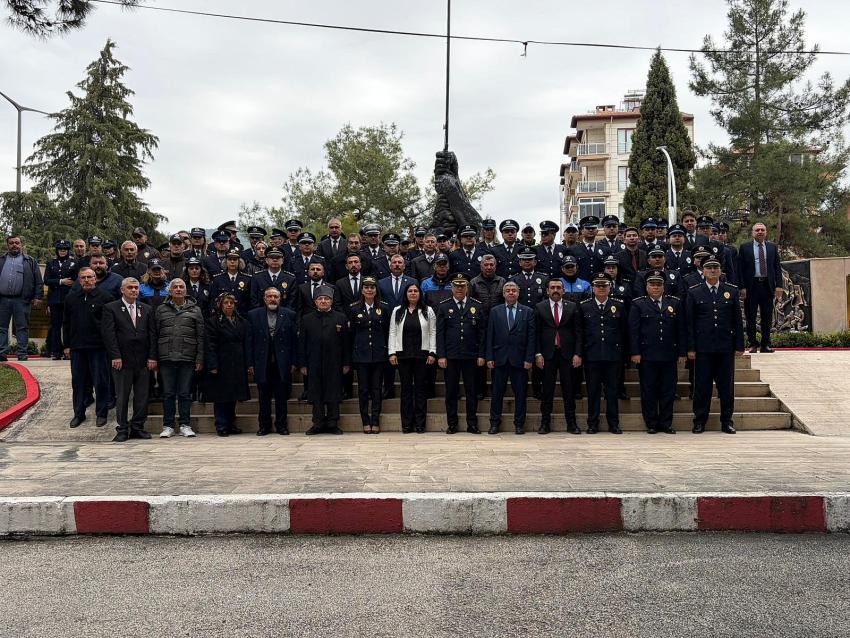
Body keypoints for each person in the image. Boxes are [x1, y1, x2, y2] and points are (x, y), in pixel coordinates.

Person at [687, 256, 745, 434]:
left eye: (715, 267)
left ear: (721, 270)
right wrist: (690, 347)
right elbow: (689, 322)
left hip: (725, 347)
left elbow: (737, 321)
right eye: (709, 267)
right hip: (703, 348)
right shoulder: (694, 292)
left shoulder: (731, 291)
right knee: (702, 387)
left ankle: (727, 420)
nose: (712, 270)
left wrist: (739, 346)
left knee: (726, 387)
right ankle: (699, 421)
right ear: (703, 271)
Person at [629, 271, 687, 435]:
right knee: (649, 390)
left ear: (664, 286)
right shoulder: (638, 304)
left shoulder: (674, 303)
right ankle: (652, 423)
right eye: (652, 284)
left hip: (669, 354)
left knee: (668, 390)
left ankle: (666, 423)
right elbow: (633, 331)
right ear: (646, 286)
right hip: (647, 355)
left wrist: (682, 352)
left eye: (658, 284)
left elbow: (680, 329)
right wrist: (635, 352)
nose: (655, 287)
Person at [149, 278, 205, 438]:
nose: (179, 289)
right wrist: (154, 357)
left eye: (182, 287)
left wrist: (200, 358)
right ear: (170, 290)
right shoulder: (161, 309)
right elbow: (154, 335)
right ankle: (168, 425)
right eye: (175, 287)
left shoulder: (195, 310)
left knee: (185, 393)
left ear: (186, 290)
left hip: (188, 357)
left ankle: (185, 424)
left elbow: (201, 336)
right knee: (167, 393)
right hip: (166, 356)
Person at [101, 277, 155, 441]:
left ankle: (137, 426)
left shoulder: (146, 308)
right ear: (122, 290)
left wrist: (152, 356)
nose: (133, 290)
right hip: (122, 360)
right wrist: (115, 355)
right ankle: (122, 428)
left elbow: (152, 334)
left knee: (142, 395)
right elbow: (109, 335)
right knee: (123, 396)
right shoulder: (111, 308)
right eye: (130, 287)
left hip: (143, 360)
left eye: (136, 288)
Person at [436, 275, 485, 435]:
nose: (459, 289)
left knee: (471, 391)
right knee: (451, 392)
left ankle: (472, 424)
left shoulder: (476, 306)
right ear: (452, 287)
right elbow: (440, 334)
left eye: (462, 286)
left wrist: (481, 355)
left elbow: (481, 334)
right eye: (456, 286)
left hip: (471, 356)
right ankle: (452, 424)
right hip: (451, 356)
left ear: (467, 288)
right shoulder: (444, 307)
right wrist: (441, 355)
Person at [299, 286, 351, 435]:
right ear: (315, 301)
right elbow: (302, 342)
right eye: (320, 299)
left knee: (334, 391)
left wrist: (346, 362)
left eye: (326, 299)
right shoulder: (306, 319)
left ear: (331, 301)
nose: (323, 301)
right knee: (316, 392)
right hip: (313, 361)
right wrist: (303, 363)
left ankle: (333, 422)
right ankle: (318, 422)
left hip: (335, 361)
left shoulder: (340, 317)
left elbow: (346, 343)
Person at [246, 287, 298, 436]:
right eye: (269, 296)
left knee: (282, 397)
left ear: (280, 299)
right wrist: (250, 363)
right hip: (262, 362)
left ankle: (281, 425)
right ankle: (264, 426)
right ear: (264, 299)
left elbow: (294, 341)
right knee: (263, 397)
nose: (272, 299)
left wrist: (294, 362)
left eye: (275, 296)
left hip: (282, 363)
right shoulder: (253, 315)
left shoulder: (289, 315)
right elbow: (249, 341)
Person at [63, 267, 111, 428]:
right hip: (77, 348)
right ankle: (78, 414)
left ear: (95, 279)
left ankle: (101, 413)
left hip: (98, 347)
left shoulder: (105, 298)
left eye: (90, 277)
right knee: (78, 382)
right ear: (79, 279)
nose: (87, 280)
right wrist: (67, 345)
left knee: (101, 382)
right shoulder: (71, 298)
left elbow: (110, 325)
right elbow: (66, 323)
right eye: (83, 277)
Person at [579, 273, 627, 434]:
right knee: (593, 391)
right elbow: (581, 332)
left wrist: (624, 354)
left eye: (604, 285)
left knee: (612, 391)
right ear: (593, 288)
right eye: (598, 285)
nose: (601, 288)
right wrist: (580, 353)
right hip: (592, 355)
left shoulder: (618, 305)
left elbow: (624, 331)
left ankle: (613, 423)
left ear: (610, 288)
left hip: (613, 355)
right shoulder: (584, 306)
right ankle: (592, 423)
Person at [534, 278, 583, 434]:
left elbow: (578, 333)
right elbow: (535, 333)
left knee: (569, 390)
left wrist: (577, 353)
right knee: (547, 391)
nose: (555, 290)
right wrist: (538, 353)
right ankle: (545, 423)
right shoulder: (540, 307)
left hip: (567, 355)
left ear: (564, 291)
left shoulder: (573, 307)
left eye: (558, 287)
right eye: (552, 287)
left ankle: (572, 424)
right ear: (547, 290)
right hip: (548, 355)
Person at [486, 281, 535, 435]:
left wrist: (529, 358)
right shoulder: (495, 311)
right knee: (497, 393)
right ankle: (494, 423)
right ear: (503, 293)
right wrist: (489, 356)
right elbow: (490, 336)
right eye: (508, 290)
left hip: (520, 360)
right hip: (499, 358)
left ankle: (519, 424)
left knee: (520, 394)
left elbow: (531, 338)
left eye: (514, 290)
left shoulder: (527, 311)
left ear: (518, 293)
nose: (511, 293)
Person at [389, 282, 436, 433]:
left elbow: (432, 332)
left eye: (416, 291)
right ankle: (407, 424)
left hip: (422, 355)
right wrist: (392, 352)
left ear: (420, 294)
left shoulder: (428, 311)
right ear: (406, 294)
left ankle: (420, 424)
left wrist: (432, 352)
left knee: (421, 390)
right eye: (410, 291)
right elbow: (392, 332)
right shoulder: (397, 311)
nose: (413, 293)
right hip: (403, 355)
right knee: (406, 390)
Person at [348, 276, 390, 434]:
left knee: (377, 389)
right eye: (366, 287)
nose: (369, 290)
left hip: (379, 355)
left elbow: (387, 331)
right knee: (363, 389)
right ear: (362, 290)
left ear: (376, 290)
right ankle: (365, 420)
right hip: (361, 355)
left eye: (372, 287)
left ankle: (375, 420)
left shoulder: (384, 308)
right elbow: (351, 334)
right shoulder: (354, 308)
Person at [204, 292, 250, 437]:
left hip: (237, 362)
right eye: (226, 303)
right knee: (221, 397)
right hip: (221, 362)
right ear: (220, 305)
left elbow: (247, 343)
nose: (229, 305)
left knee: (233, 396)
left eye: (231, 303)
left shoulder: (241, 321)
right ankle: (221, 424)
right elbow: (210, 345)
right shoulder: (213, 322)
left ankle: (231, 423)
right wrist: (212, 364)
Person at [737, 222, 783, 353]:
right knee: (750, 316)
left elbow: (777, 268)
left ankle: (765, 345)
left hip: (767, 286)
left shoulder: (772, 247)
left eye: (762, 230)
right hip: (751, 287)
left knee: (767, 317)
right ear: (753, 233)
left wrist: (779, 285)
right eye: (757, 230)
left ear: (766, 232)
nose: (760, 232)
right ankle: (753, 344)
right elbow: (740, 269)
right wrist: (742, 287)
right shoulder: (745, 248)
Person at [0, 235, 44, 361]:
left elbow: (38, 281)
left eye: (17, 243)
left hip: (22, 300)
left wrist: (38, 297)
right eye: (11, 243)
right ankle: (2, 353)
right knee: (1, 327)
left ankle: (22, 353)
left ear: (21, 245)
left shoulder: (30, 261)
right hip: (2, 300)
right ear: (7, 245)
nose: (14, 245)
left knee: (22, 327)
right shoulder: (1, 259)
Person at [44, 239, 79, 360]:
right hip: (54, 299)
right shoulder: (51, 263)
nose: (62, 251)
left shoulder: (74, 263)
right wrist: (61, 281)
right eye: (60, 249)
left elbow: (76, 279)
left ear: (68, 250)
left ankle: (68, 350)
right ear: (57, 250)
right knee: (55, 326)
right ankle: (56, 351)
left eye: (65, 249)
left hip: (68, 298)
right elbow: (47, 280)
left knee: (68, 325)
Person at [209, 248, 252, 317]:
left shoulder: (247, 279)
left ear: (239, 262)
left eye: (235, 259)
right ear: (225, 262)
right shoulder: (218, 279)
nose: (232, 262)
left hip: (242, 316)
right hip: (222, 316)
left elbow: (250, 300)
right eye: (229, 259)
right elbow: (213, 299)